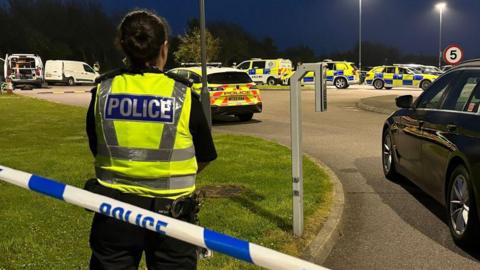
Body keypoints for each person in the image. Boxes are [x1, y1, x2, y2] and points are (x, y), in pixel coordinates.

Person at [84, 9, 217, 270]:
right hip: (172, 216)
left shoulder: (103, 90)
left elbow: (95, 146)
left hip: (113, 212)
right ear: (164, 48)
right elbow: (205, 156)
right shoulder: (183, 94)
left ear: (122, 46)